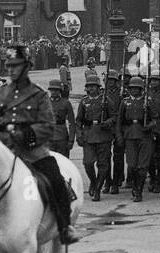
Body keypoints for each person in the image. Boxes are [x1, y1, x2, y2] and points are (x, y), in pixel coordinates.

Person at [0, 44, 79, 245]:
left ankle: (65, 226)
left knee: (56, 181)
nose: (11, 69)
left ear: (26, 67)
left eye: (16, 65)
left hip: (33, 153)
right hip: (5, 153)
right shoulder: (0, 94)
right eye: (9, 65)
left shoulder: (39, 95)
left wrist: (25, 135)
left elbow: (48, 125)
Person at [76, 70, 114, 201]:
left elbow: (114, 116)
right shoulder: (83, 101)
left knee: (103, 165)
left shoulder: (106, 100)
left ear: (99, 88)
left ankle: (98, 188)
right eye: (89, 86)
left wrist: (108, 122)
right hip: (89, 136)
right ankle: (93, 181)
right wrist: (79, 134)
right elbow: (78, 120)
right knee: (87, 163)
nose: (91, 89)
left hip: (103, 136)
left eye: (93, 86)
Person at [119, 75, 153, 202]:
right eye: (132, 88)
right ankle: (134, 185)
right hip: (130, 136)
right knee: (132, 165)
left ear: (141, 89)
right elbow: (120, 122)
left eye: (137, 88)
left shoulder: (147, 102)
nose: (134, 90)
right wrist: (120, 136)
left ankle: (139, 191)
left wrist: (148, 125)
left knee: (142, 167)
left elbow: (155, 119)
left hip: (144, 137)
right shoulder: (125, 102)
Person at [105, 68, 125, 194]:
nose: (110, 82)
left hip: (119, 127)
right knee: (105, 157)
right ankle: (108, 181)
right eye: (108, 80)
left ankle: (116, 181)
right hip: (106, 129)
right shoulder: (102, 94)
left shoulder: (122, 94)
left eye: (112, 80)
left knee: (118, 157)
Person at [48, 78, 76, 158]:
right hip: (49, 138)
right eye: (52, 90)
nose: (54, 92)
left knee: (63, 163)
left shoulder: (66, 103)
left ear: (60, 91)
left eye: (56, 90)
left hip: (62, 137)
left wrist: (71, 140)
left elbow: (72, 123)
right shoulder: (45, 102)